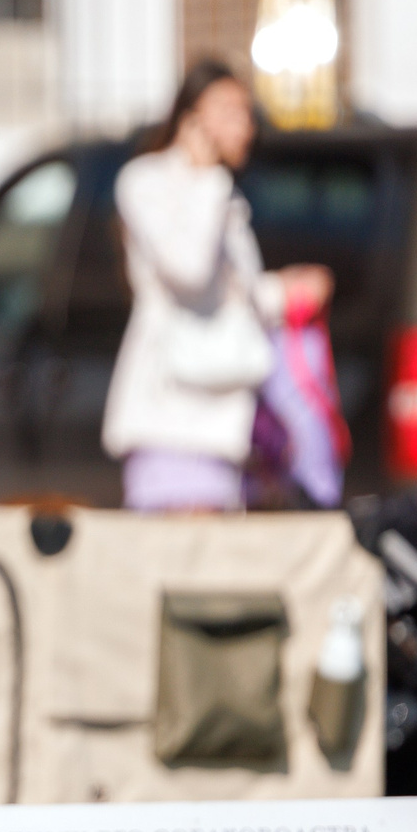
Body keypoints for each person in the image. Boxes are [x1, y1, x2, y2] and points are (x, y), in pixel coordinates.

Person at [105, 59, 332, 513]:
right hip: (173, 421)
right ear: (189, 118)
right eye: (229, 112)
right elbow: (187, 271)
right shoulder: (148, 180)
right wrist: (206, 176)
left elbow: (231, 298)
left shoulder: (221, 191)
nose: (245, 127)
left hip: (227, 423)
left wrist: (284, 289)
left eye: (247, 113)